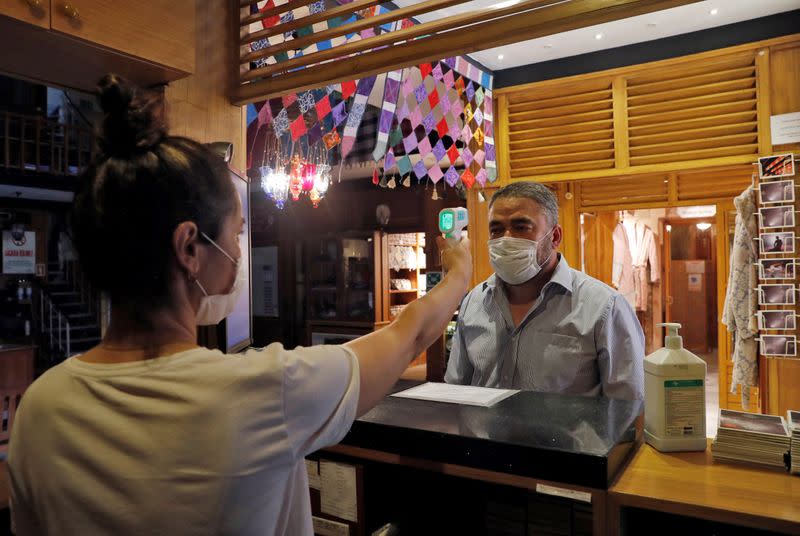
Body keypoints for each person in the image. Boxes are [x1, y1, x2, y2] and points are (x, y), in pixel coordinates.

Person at [7, 75, 472, 536]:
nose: (238, 253)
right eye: (237, 234)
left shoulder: (40, 409)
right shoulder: (266, 391)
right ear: (190, 247)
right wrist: (460, 273)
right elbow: (407, 333)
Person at [445, 181, 644, 401]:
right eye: (496, 230)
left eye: (521, 227)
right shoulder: (474, 301)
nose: (506, 239)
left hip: (566, 436)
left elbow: (627, 408)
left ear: (555, 237)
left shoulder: (605, 307)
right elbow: (456, 390)